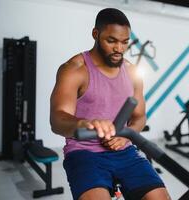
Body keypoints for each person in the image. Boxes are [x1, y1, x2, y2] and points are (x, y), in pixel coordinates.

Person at [50, 8, 170, 200]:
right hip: (84, 153)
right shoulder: (74, 70)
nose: (119, 49)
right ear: (95, 34)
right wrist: (82, 124)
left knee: (160, 198)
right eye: (111, 41)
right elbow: (57, 120)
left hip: (124, 151)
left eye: (125, 42)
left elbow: (139, 117)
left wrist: (126, 137)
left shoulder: (132, 73)